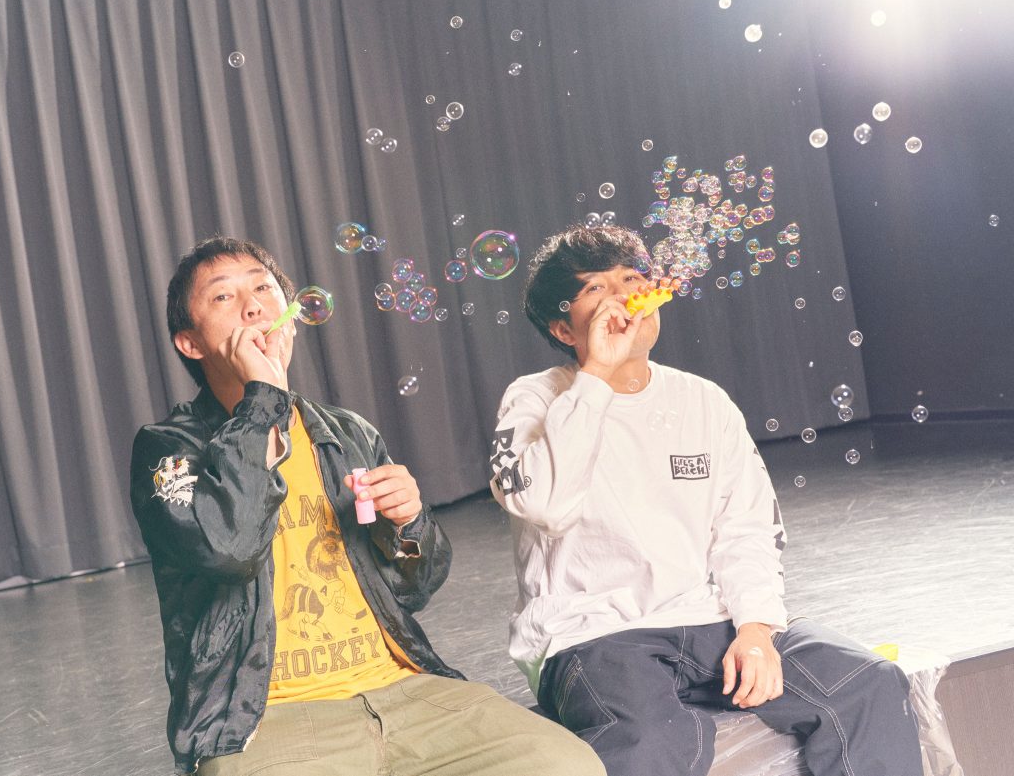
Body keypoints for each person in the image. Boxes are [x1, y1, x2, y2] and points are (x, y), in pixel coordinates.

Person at [131, 235, 604, 776]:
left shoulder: (347, 433)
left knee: (569, 765)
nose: (254, 305)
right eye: (223, 296)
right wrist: (264, 399)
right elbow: (228, 549)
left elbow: (415, 587)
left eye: (263, 288)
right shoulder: (167, 449)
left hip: (402, 688)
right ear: (190, 343)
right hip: (262, 717)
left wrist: (409, 523)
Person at [488, 224, 923, 776]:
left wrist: (756, 629)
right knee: (653, 739)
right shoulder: (533, 399)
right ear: (562, 327)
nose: (623, 296)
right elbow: (546, 505)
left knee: (867, 683)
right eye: (596, 288)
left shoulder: (702, 400)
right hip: (592, 635)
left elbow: (746, 529)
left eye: (632, 279)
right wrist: (596, 374)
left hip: (707, 620)